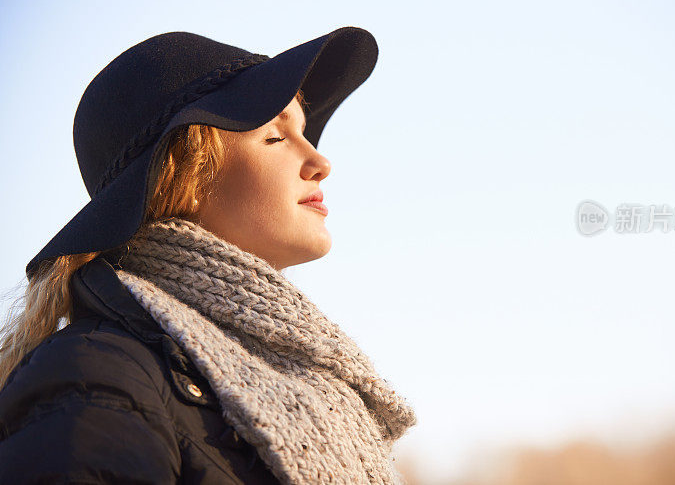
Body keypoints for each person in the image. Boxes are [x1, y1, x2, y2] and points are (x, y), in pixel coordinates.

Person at [0, 28, 417, 484]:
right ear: (186, 175)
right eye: (275, 138)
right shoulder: (97, 376)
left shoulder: (307, 382)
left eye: (304, 131)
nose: (321, 161)